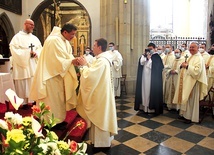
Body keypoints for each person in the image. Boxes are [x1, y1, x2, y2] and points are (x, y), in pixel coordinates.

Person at [29, 23, 79, 128]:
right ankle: (49, 122)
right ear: (65, 32)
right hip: (50, 76)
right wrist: (72, 61)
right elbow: (56, 61)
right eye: (72, 34)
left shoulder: (63, 40)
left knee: (58, 99)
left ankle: (58, 120)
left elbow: (66, 56)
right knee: (52, 100)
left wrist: (72, 61)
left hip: (58, 74)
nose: (73, 37)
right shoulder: (53, 40)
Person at [76, 38, 118, 150]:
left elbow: (91, 77)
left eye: (94, 45)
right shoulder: (101, 59)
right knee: (99, 117)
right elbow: (94, 72)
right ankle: (97, 141)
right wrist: (86, 65)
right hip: (101, 93)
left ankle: (102, 143)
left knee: (100, 116)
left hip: (101, 96)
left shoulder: (102, 61)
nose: (93, 47)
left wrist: (84, 66)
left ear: (99, 47)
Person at [9, 19, 42, 108]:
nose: (32, 27)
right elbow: (14, 50)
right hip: (22, 66)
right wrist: (27, 53)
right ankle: (23, 103)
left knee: (32, 82)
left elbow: (40, 49)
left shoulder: (34, 38)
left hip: (32, 64)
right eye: (31, 24)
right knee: (22, 84)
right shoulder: (17, 37)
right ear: (25, 24)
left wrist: (36, 53)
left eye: (33, 25)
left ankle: (33, 100)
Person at [173, 42, 207, 123]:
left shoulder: (199, 58)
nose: (191, 49)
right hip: (186, 82)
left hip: (193, 83)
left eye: (193, 47)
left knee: (190, 100)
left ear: (197, 48)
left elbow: (197, 71)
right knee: (185, 99)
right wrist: (181, 66)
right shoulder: (190, 56)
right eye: (190, 47)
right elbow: (184, 66)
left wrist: (187, 66)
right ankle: (184, 115)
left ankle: (190, 117)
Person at [134, 43, 164, 115]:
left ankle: (151, 108)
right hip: (144, 78)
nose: (149, 50)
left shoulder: (156, 57)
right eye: (148, 49)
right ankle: (144, 107)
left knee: (150, 92)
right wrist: (145, 56)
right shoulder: (144, 55)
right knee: (144, 91)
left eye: (151, 49)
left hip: (152, 80)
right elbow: (141, 63)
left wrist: (150, 59)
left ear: (154, 49)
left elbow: (156, 67)